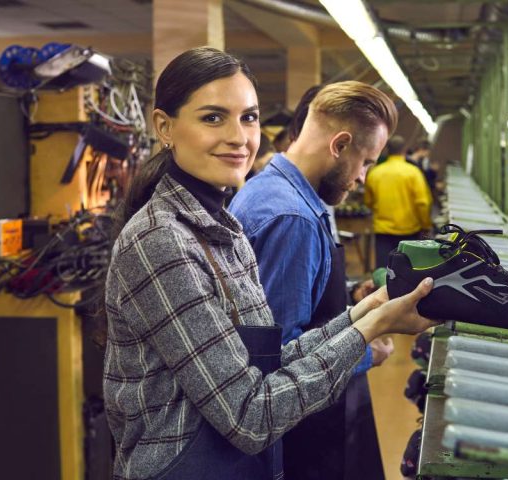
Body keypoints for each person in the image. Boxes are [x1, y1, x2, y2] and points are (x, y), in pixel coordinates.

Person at [103, 47, 437, 480]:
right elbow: (249, 415)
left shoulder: (221, 229)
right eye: (212, 118)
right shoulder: (160, 243)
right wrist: (366, 332)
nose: (239, 138)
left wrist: (369, 311)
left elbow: (269, 360)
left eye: (249, 117)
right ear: (164, 127)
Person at [229, 81, 395, 480]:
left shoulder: (274, 191)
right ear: (339, 145)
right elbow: (278, 357)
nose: (364, 177)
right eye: (367, 162)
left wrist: (358, 303)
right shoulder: (292, 219)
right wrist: (370, 349)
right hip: (298, 436)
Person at [365, 135, 433, 269]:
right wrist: (426, 225)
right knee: (406, 273)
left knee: (384, 272)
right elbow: (423, 203)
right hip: (409, 233)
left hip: (382, 232)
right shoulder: (413, 173)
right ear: (405, 150)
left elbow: (368, 202)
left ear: (387, 150)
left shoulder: (375, 173)